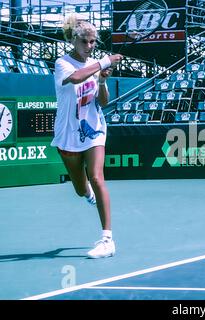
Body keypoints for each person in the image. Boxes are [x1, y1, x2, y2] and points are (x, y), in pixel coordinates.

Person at [51, 14, 123, 258]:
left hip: (94, 129)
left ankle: (107, 240)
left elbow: (102, 103)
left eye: (93, 42)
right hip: (68, 133)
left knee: (96, 176)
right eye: (86, 42)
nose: (90, 46)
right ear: (74, 40)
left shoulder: (94, 65)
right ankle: (88, 194)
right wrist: (103, 63)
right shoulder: (63, 63)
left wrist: (102, 82)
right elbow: (76, 78)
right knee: (81, 189)